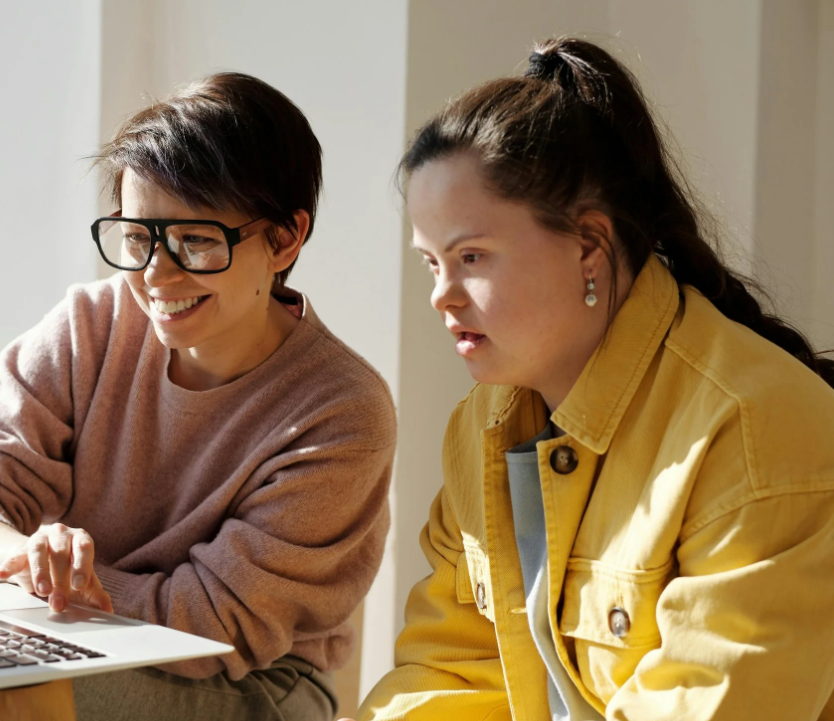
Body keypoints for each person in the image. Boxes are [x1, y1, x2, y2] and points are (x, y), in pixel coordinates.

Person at [349, 38, 834, 721]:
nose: (442, 294)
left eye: (471, 257)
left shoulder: (754, 429)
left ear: (586, 245)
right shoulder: (482, 427)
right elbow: (451, 671)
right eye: (432, 263)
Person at [0, 72, 397, 721]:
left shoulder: (339, 409)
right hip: (66, 627)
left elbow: (218, 621)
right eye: (136, 238)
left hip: (250, 682)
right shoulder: (88, 326)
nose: (155, 274)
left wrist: (76, 589)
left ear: (284, 239)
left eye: (196, 241)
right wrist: (23, 559)